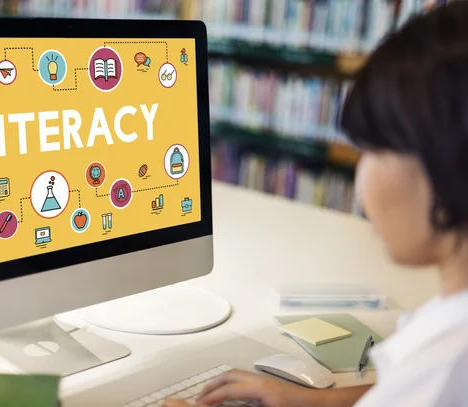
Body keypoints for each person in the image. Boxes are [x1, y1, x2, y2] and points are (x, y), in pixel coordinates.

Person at [163, 2, 468, 406]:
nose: (362, 179)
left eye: (371, 150)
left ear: (443, 160)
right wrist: (322, 402)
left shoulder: (445, 363)